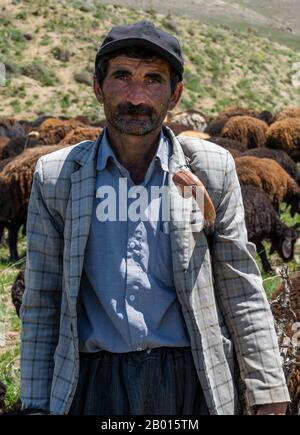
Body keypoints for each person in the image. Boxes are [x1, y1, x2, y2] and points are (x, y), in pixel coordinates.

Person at [20, 20, 290, 415]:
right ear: (98, 87)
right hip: (94, 383)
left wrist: (268, 392)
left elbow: (241, 286)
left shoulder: (211, 170)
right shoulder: (57, 177)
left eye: (153, 80)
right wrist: (34, 403)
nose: (135, 96)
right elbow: (42, 299)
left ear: (175, 94)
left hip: (192, 378)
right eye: (122, 77)